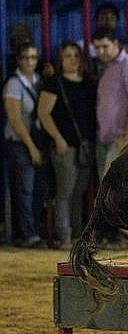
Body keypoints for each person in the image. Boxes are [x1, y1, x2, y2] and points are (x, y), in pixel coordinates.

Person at [37, 41, 97, 250]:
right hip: (65, 146)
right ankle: (64, 236)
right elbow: (43, 114)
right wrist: (58, 138)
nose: (72, 60)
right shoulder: (54, 83)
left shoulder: (89, 83)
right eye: (67, 56)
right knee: (65, 192)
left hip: (85, 146)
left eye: (75, 55)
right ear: (60, 61)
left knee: (79, 192)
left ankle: (77, 235)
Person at [2, 42, 47, 248]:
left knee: (38, 189)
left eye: (33, 57)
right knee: (25, 189)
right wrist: (31, 147)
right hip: (20, 142)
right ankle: (27, 234)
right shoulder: (13, 84)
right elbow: (15, 119)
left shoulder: (37, 80)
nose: (30, 61)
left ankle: (32, 230)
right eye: (26, 58)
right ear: (18, 60)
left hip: (35, 141)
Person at [91, 27, 128, 179]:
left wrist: (127, 136)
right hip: (107, 139)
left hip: (121, 140)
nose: (101, 51)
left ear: (116, 44)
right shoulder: (109, 67)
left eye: (105, 46)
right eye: (97, 48)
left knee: (116, 191)